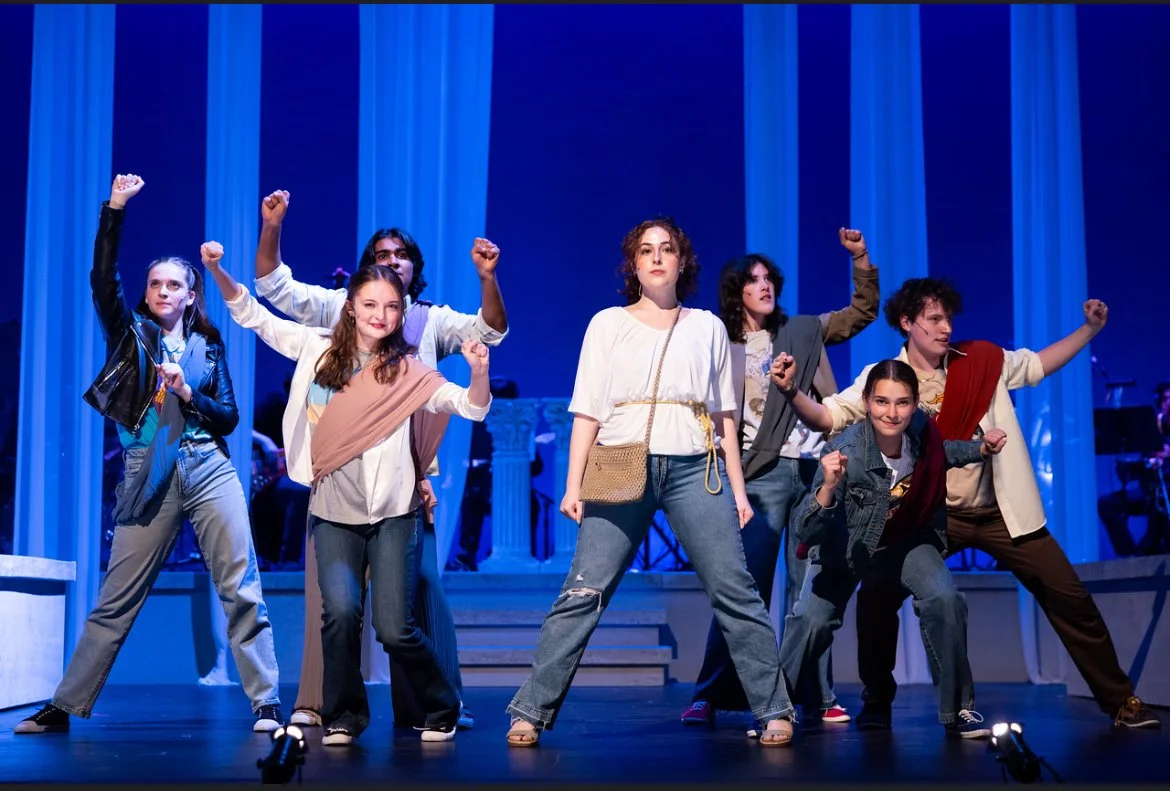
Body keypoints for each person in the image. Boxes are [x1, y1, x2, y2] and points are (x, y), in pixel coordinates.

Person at [772, 276, 1162, 730]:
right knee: (878, 594)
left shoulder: (981, 361)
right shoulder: (888, 378)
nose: (945, 328)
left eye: (948, 318)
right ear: (907, 323)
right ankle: (877, 702)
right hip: (928, 516)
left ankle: (1119, 700)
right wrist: (790, 392)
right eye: (934, 319)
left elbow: (1036, 365)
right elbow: (828, 415)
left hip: (1001, 511)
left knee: (1068, 595)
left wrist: (1089, 330)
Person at [505, 217, 796, 748]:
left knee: (736, 589)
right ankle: (531, 709)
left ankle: (773, 707)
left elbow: (723, 416)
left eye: (667, 249)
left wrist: (736, 489)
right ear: (633, 264)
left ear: (682, 262)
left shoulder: (707, 326)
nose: (657, 257)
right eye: (646, 250)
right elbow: (587, 412)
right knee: (584, 591)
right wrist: (572, 485)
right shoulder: (607, 323)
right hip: (620, 461)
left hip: (694, 466)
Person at [16, 174, 282, 734]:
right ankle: (64, 705)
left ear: (190, 294)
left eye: (173, 285)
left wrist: (189, 393)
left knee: (241, 585)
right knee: (116, 597)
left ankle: (265, 702)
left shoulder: (209, 345)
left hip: (208, 467)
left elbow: (230, 417)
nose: (162, 291)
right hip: (148, 470)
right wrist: (114, 209)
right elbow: (100, 281)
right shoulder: (129, 334)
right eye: (155, 284)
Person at [202, 241, 491, 745]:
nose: (381, 315)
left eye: (392, 306)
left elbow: (470, 407)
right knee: (338, 613)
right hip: (334, 510)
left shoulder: (411, 370)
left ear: (402, 313)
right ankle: (344, 715)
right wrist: (217, 270)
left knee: (394, 628)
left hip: (395, 514)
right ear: (351, 306)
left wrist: (480, 372)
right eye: (371, 304)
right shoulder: (318, 351)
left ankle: (442, 703)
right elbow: (252, 315)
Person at [253, 190, 507, 730]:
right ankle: (321, 704)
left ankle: (435, 705)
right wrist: (271, 227)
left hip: (408, 480)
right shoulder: (347, 308)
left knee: (416, 602)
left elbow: (489, 333)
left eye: (401, 255)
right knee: (335, 604)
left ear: (415, 268)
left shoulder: (430, 322)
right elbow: (274, 290)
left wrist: (487, 279)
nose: (391, 262)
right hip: (340, 475)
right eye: (382, 254)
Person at [683, 230, 879, 728]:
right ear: (736, 291)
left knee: (808, 587)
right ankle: (712, 692)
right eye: (753, 281)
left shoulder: (803, 330)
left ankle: (812, 693)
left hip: (816, 471)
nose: (764, 286)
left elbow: (861, 313)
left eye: (769, 278)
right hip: (760, 474)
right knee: (744, 587)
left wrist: (859, 258)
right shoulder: (720, 341)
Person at [777, 357, 1005, 737]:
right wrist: (829, 487)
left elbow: (942, 452)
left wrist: (980, 450)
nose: (891, 412)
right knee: (811, 621)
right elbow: (804, 530)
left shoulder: (921, 430)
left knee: (945, 599)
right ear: (867, 402)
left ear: (915, 404)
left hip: (902, 541)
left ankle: (959, 710)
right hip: (844, 549)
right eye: (882, 402)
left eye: (902, 402)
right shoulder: (845, 449)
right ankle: (777, 708)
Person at [1097, 381, 1170, 557]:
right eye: (1165, 399)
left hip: (1165, 490)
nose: (1167, 404)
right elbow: (1143, 468)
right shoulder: (1154, 429)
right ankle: (1130, 555)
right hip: (1148, 490)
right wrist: (1127, 467)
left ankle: (1149, 548)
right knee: (1107, 505)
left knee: (1158, 498)